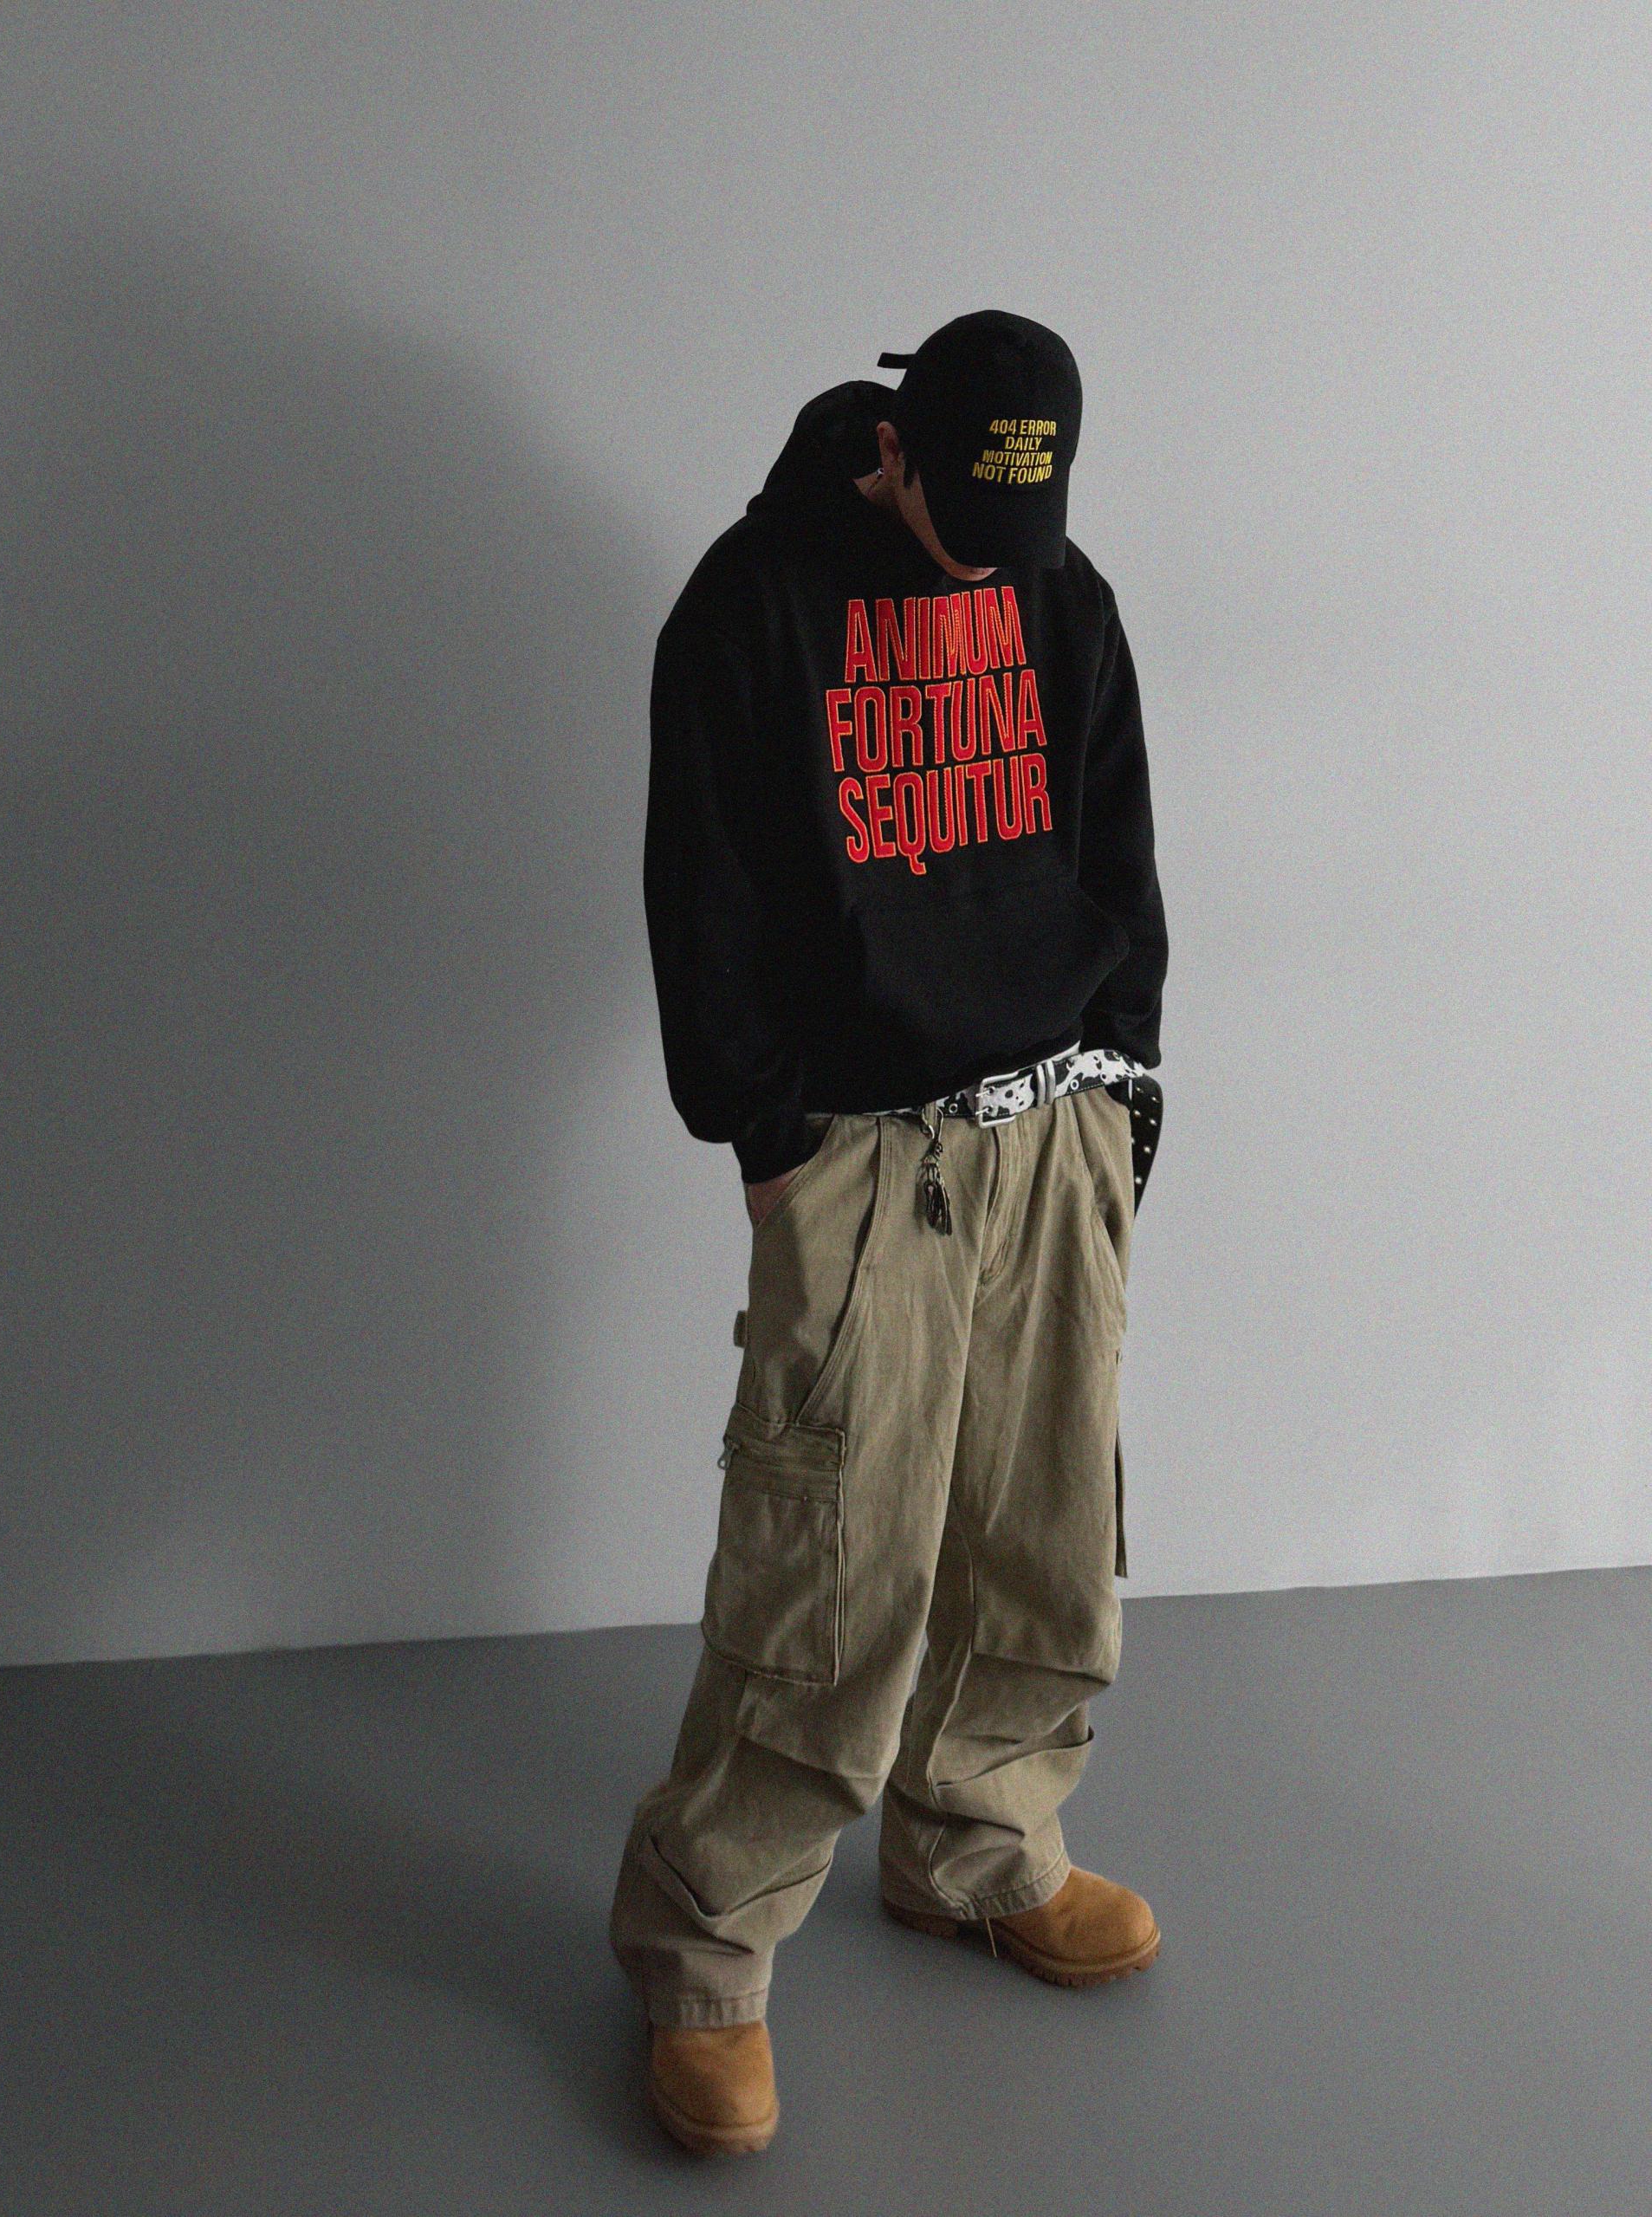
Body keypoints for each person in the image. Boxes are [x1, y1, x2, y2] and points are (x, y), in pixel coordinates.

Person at [609, 309, 1169, 2157]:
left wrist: (1125, 1087)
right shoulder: (752, 606)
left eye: (1028, 530)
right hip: (863, 1149)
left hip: (1052, 1125)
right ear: (893, 454)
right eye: (962, 523)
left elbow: (1118, 845)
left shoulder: (1060, 590)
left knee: (1047, 1532)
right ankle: (706, 1948)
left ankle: (978, 1843)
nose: (994, 568)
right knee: (827, 1572)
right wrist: (768, 1134)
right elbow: (701, 889)